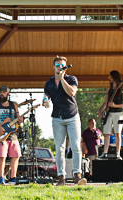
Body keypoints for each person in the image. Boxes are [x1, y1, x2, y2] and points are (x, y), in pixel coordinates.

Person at [43, 55, 87, 186]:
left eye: (62, 66)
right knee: (59, 148)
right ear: (53, 67)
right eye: (57, 65)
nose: (60, 67)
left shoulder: (72, 79)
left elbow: (72, 92)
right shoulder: (49, 83)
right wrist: (45, 101)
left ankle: (77, 176)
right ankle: (61, 177)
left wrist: (62, 79)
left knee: (75, 146)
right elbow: (46, 96)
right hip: (57, 117)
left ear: (65, 68)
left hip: (72, 116)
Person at [0, 86, 23, 185]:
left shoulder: (13, 105)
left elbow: (19, 120)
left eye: (3, 92)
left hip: (12, 134)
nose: (1, 94)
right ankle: (1, 178)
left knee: (16, 156)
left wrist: (20, 119)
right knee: (1, 157)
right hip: (0, 134)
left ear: (8, 94)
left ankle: (13, 178)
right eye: (0, 92)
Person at [98, 70, 123, 160]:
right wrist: (100, 110)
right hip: (109, 113)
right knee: (106, 133)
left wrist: (115, 105)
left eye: (110, 77)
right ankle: (105, 153)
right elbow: (105, 102)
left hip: (118, 113)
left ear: (114, 77)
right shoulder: (109, 89)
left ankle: (118, 153)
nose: (109, 79)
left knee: (117, 133)